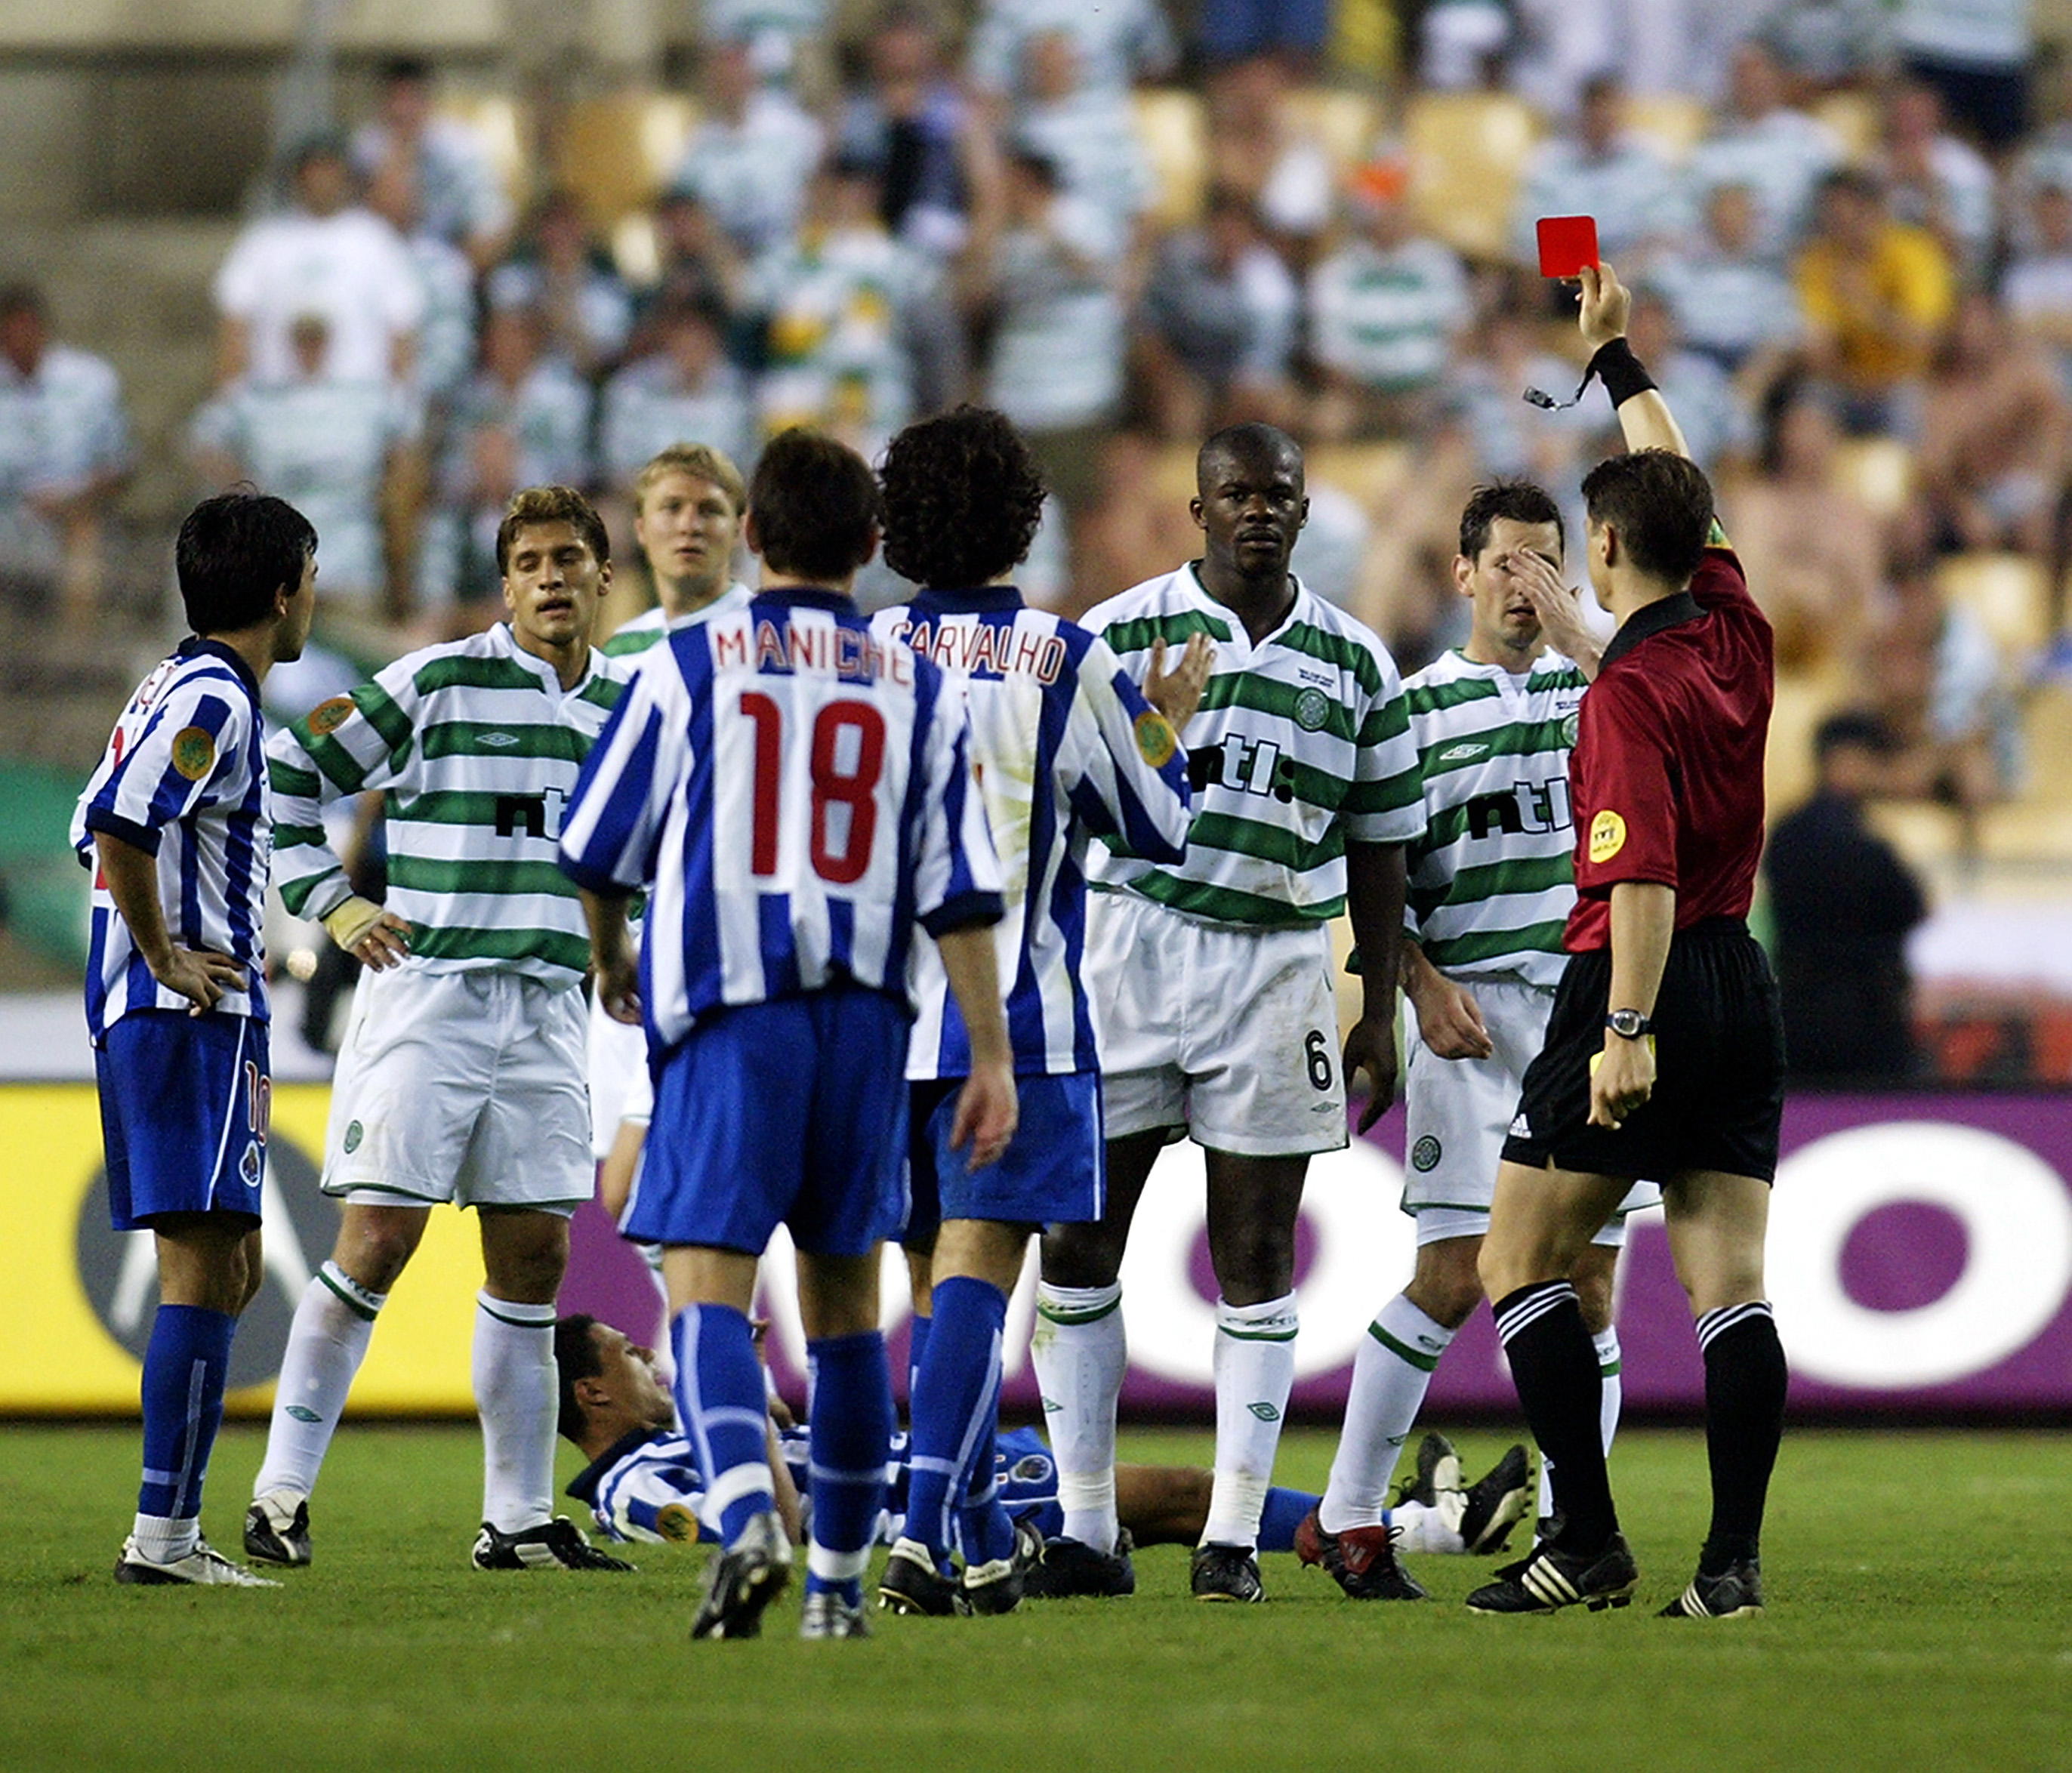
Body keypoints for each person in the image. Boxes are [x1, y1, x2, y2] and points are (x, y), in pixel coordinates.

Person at [557, 428, 1017, 1642]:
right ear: (872, 548)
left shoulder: (689, 662)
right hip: (867, 1026)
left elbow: (598, 847)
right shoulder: (916, 681)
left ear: (752, 535)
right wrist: (994, 1055)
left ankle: (752, 1511)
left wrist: (613, 956)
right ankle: (837, 1592)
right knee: (846, 1313)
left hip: (731, 1016)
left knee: (707, 1291)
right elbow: (963, 889)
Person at [1033, 420, 1426, 1604]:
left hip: (1273, 965)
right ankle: (1089, 1530)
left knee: (1254, 1253)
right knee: (1078, 1245)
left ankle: (1231, 1539)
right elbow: (1059, 804)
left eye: (1280, 494)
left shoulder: (1357, 661)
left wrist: (1378, 1000)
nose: (1260, 510)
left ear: (1306, 512)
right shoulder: (1114, 635)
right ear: (1197, 510)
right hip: (1130, 951)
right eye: (1237, 493)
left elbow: (1381, 845)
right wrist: (1154, 731)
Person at [1469, 264, 1787, 1621]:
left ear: (1599, 546)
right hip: (1741, 977)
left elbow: (1639, 878)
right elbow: (1678, 483)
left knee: (1513, 1263)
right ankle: (1727, 1564)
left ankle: (1586, 1536)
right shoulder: (1735, 631)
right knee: (1726, 1283)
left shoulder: (1620, 703)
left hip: (1639, 976)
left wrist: (1619, 1033)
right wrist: (1614, 364)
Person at [243, 486, 634, 1575]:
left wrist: (627, 949)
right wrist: (334, 903)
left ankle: (514, 1521)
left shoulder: (635, 708)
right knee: (378, 1240)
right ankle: (279, 1495)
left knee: (536, 1257)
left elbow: (654, 853)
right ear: (506, 585)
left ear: (605, 579)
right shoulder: (440, 680)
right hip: (433, 993)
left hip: (553, 1006)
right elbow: (288, 771)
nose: (552, 578)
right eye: (531, 562)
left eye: (571, 559)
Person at [865, 405, 1201, 1616]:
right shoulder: (1069, 660)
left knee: (924, 1280)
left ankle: (980, 1532)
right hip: (1012, 1018)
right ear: (1022, 516)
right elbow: (1165, 827)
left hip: (868, 1020)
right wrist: (1171, 721)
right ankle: (917, 1539)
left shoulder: (857, 652)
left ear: (896, 523)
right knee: (976, 1275)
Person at [1302, 480, 1657, 1601]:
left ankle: (1572, 1524)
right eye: (1506, 563)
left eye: (1548, 562)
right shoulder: (1409, 714)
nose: (1527, 585)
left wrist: (1582, 634)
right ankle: (1350, 1514)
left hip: (1592, 1009)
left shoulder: (1602, 689)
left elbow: (1674, 718)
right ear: (1460, 575)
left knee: (1592, 1290)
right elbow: (1372, 879)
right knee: (1456, 1277)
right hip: (1476, 1018)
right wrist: (1416, 979)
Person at [72, 490, 317, 1585]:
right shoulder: (215, 696)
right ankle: (162, 1538)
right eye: (308, 577)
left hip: (196, 1017)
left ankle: (174, 1532)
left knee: (233, 1265)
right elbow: (122, 826)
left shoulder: (178, 686)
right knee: (200, 1266)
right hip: (187, 1016)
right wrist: (167, 954)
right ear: (281, 592)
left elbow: (100, 815)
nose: (314, 597)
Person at [551, 1313, 1521, 1570]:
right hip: (931, 1501)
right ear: (593, 1391)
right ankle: (1413, 1527)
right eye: (631, 1356)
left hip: (936, 1466)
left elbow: (786, 1475)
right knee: (1184, 1494)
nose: (652, 1361)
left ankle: (1404, 1518)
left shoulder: (664, 1447)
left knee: (1182, 1497)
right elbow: (772, 1522)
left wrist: (757, 1411)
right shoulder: (632, 1485)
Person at [588, 444, 754, 1226]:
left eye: (709, 509)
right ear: (639, 528)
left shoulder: (761, 639)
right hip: (628, 956)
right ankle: (729, 1341)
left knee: (642, 1191)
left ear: (741, 528)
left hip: (716, 954)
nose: (690, 525)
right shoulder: (618, 653)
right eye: (673, 509)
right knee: (634, 1205)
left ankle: (731, 1338)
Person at [1764, 712, 1929, 1086]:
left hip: (1800, 1008)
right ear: (1846, 760)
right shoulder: (1863, 840)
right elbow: (1911, 906)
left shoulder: (1787, 832)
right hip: (1867, 1014)